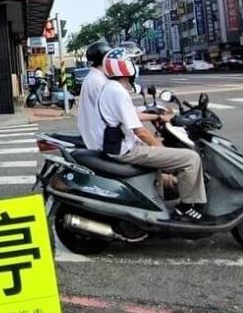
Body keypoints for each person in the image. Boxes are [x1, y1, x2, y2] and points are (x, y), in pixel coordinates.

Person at [95, 47, 207, 222]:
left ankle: (193, 202)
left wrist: (159, 116)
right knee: (190, 158)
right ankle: (186, 207)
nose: (135, 66)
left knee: (174, 152)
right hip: (126, 150)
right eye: (131, 62)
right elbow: (139, 130)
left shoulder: (111, 88)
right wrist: (158, 146)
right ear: (124, 67)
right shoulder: (117, 92)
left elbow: (132, 115)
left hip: (119, 145)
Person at [77, 40, 111, 148]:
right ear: (104, 59)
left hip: (95, 134)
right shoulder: (98, 81)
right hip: (101, 139)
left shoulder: (95, 77)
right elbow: (113, 111)